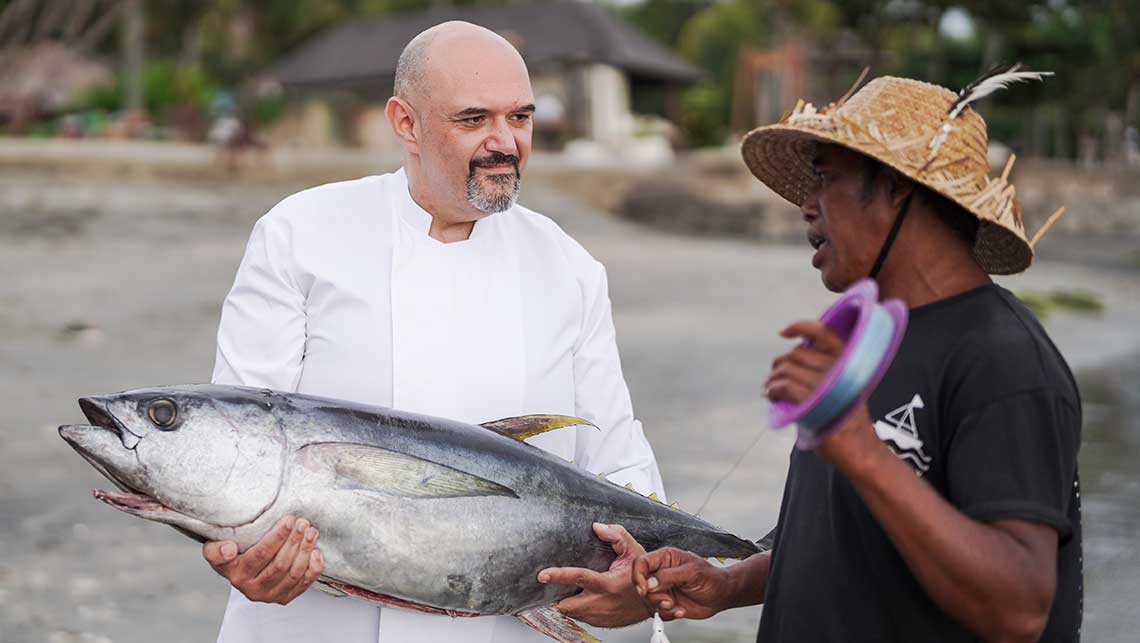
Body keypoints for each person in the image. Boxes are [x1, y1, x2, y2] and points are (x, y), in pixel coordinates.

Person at [202, 21, 663, 643]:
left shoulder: (569, 267)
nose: (506, 143)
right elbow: (236, 441)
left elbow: (615, 455)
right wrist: (239, 552)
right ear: (405, 123)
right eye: (474, 120)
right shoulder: (300, 235)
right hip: (314, 623)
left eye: (520, 118)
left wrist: (642, 575)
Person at [632, 75, 1082, 642]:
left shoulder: (1003, 359)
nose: (805, 205)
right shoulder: (868, 342)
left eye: (823, 178)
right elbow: (849, 532)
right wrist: (732, 584)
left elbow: (1018, 609)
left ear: (894, 185)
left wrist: (862, 452)